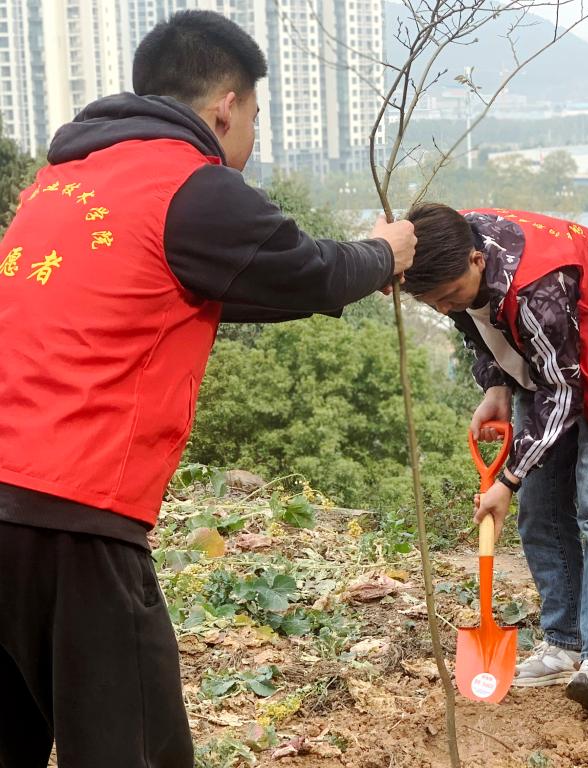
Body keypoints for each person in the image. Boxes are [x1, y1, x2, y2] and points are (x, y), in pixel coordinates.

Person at [0, 11, 414, 768]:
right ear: (227, 106)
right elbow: (308, 269)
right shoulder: (191, 186)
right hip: (79, 519)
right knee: (134, 748)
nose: (251, 137)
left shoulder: (56, 184)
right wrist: (384, 254)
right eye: (254, 117)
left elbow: (220, 289)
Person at [402, 204, 588, 719]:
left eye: (449, 295)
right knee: (540, 511)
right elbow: (478, 323)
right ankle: (565, 641)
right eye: (433, 301)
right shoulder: (443, 248)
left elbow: (564, 392)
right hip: (552, 358)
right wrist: (497, 386)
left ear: (477, 260)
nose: (444, 307)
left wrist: (507, 479)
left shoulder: (537, 290)